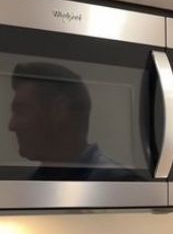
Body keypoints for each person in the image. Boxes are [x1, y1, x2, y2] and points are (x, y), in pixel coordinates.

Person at [9, 61, 137, 180]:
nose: (11, 125)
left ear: (59, 110)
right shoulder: (33, 182)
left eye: (21, 111)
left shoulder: (120, 183)